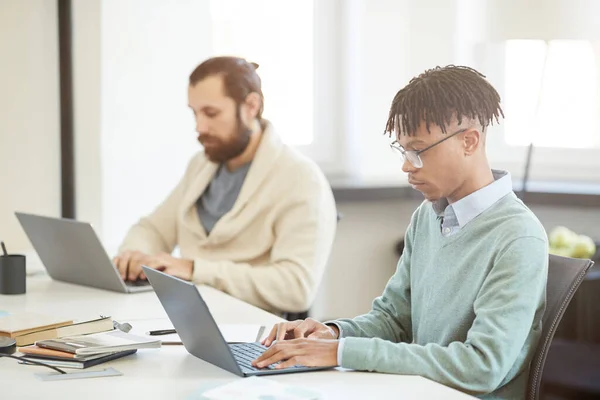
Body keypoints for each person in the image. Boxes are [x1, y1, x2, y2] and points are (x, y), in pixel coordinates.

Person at [253, 65, 548, 399]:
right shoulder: (427, 217)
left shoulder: (518, 238)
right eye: (403, 150)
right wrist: (331, 334)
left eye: (418, 151)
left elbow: (482, 366)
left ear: (469, 141)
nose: (407, 165)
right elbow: (393, 320)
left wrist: (340, 353)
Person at [113, 56, 337, 315]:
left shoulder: (300, 178)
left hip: (251, 333)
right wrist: (135, 255)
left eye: (211, 113)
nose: (200, 127)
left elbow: (297, 288)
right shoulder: (201, 165)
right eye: (194, 113)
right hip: (189, 319)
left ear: (251, 106)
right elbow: (153, 229)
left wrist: (195, 269)